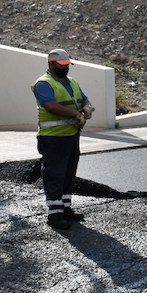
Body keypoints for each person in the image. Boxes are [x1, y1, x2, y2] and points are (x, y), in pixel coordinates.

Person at [32, 49, 94, 230]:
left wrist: (87, 106)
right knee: (54, 175)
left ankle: (65, 208)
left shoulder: (72, 82)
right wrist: (76, 114)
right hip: (53, 138)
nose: (65, 68)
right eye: (61, 65)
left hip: (71, 136)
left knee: (68, 173)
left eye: (67, 65)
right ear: (50, 63)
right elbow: (50, 105)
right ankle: (54, 214)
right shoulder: (43, 84)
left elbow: (83, 98)